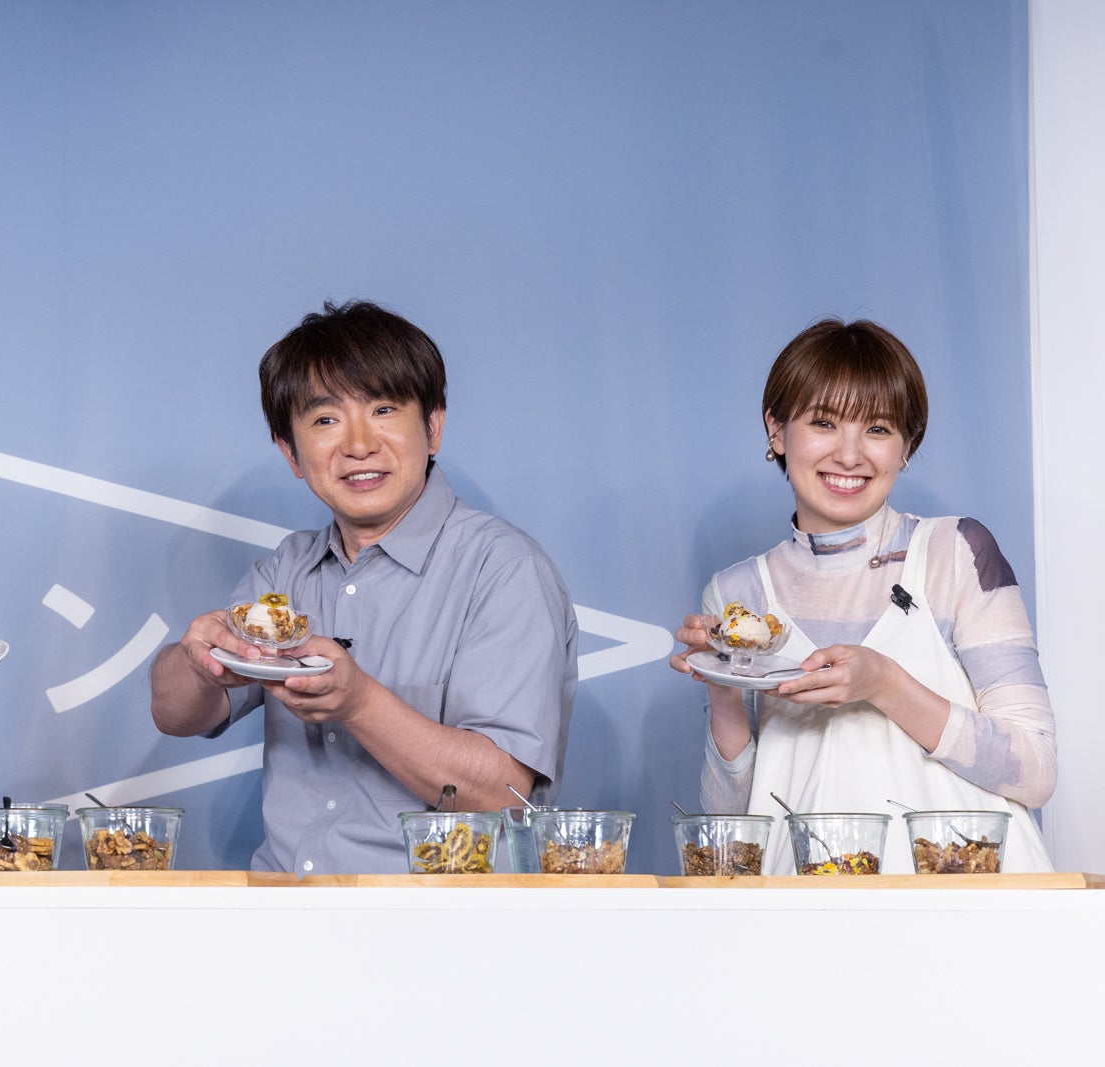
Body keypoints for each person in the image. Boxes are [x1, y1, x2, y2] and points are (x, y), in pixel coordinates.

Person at [150, 300, 578, 875]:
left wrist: (358, 702)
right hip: (285, 908)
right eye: (325, 420)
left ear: (433, 427)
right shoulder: (285, 571)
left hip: (436, 918)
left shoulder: (503, 569)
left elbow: (503, 793)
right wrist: (196, 663)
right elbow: (176, 715)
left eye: (383, 409)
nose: (358, 444)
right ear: (290, 452)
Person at [670, 318, 1055, 874]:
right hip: (804, 904)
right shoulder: (737, 594)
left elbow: (1036, 770)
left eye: (877, 428)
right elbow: (733, 828)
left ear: (906, 446)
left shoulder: (955, 552)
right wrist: (723, 687)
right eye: (824, 422)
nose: (850, 455)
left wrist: (884, 684)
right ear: (777, 430)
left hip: (961, 897)